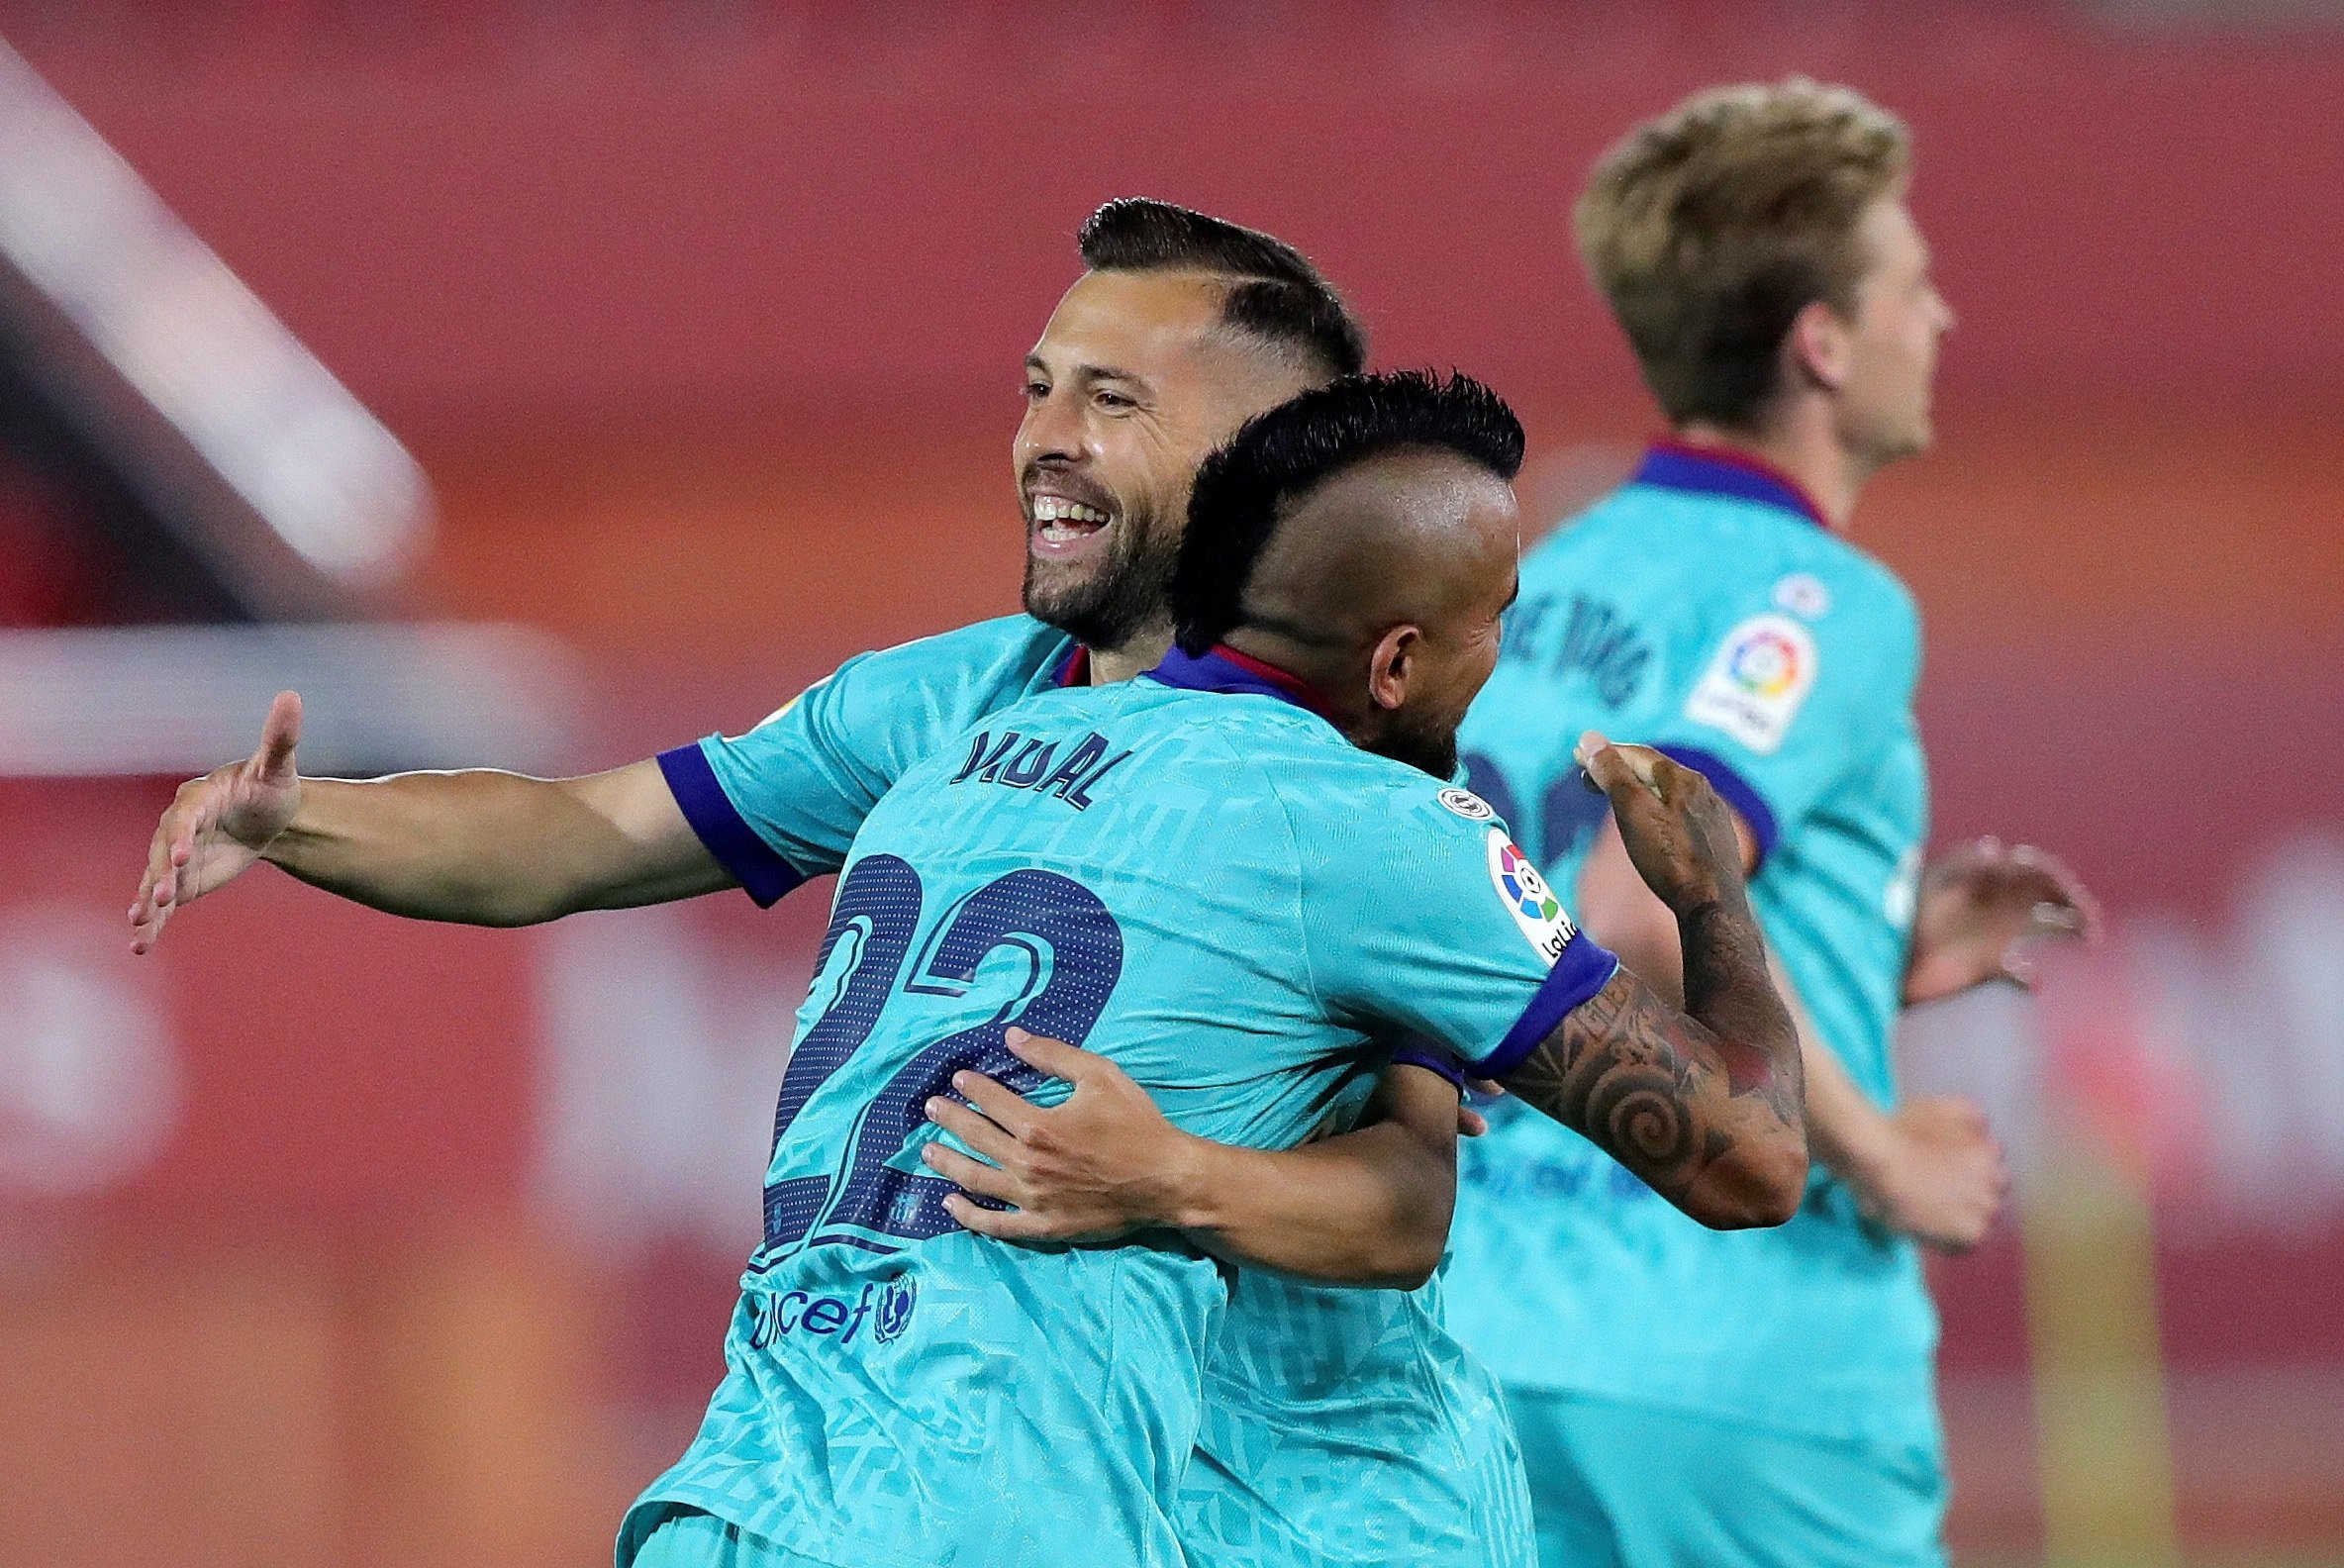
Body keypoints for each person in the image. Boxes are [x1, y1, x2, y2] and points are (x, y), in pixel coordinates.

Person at [127, 202, 1531, 1566]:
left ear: (1259, 466)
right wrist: (300, 823)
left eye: (1110, 401)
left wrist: (1170, 1178)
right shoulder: (947, 701)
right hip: (1034, 1492)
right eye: (1039, 390)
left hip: (1313, 1503)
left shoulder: (1345, 786)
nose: (1046, 440)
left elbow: (1412, 1200)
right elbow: (588, 832)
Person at [623, 369, 1807, 1568]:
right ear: (1393, 663)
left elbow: (1396, 1196)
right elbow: (1748, 1160)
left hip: (725, 1498)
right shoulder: (1376, 829)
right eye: (1495, 617)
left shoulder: (960, 757)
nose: (1502, 654)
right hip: (986, 1514)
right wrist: (1711, 893)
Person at [1432, 80, 2097, 1568]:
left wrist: (1874, 939)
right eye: (1913, 286)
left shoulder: (1546, 576)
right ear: (1822, 341)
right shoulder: (1826, 601)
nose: (1944, 322)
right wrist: (1877, 1154)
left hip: (1486, 1343)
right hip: (1740, 1365)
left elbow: (1531, 896)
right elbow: (1631, 902)